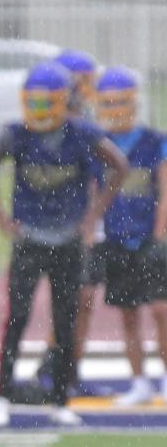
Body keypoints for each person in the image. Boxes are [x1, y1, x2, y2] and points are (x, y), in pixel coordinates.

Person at [0, 60, 128, 428]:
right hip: (29, 238)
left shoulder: (82, 133)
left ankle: (61, 398)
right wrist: (2, 217)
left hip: (67, 242)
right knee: (17, 317)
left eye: (48, 102)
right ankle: (2, 395)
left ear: (64, 101)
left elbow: (118, 166)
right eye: (35, 102)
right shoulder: (16, 134)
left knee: (65, 320)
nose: (40, 110)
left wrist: (93, 215)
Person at [29, 49, 108, 400]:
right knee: (74, 297)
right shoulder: (57, 127)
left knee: (82, 299)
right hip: (64, 224)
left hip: (80, 221)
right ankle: (57, 365)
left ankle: (67, 367)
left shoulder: (79, 123)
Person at [92, 66, 167, 405]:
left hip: (150, 241)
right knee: (128, 313)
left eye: (121, 102)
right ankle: (138, 381)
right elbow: (93, 193)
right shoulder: (96, 145)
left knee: (161, 311)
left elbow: (164, 193)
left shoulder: (155, 142)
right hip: (115, 239)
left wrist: (159, 238)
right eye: (107, 103)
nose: (114, 110)